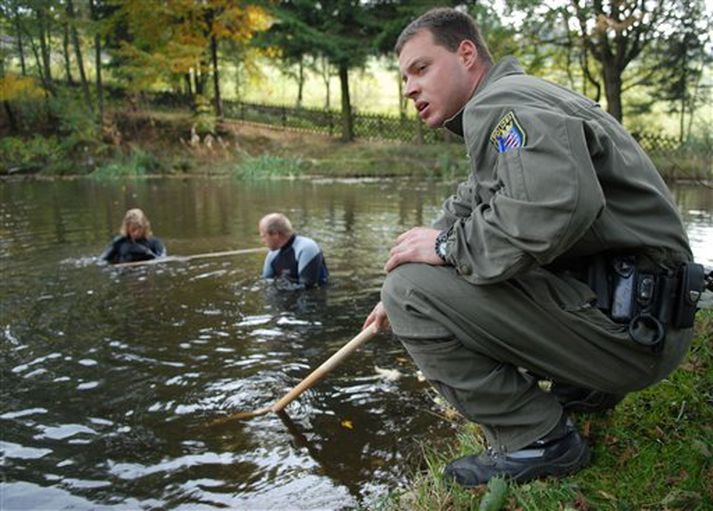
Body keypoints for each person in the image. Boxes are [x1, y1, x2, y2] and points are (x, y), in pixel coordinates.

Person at [362, 8, 701, 488]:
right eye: (405, 77)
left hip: (635, 335)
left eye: (421, 68)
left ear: (466, 53)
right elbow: (471, 201)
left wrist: (441, 252)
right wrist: (418, 255)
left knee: (409, 293)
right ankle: (583, 388)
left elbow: (553, 207)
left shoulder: (502, 107)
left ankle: (537, 438)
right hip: (646, 320)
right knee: (410, 281)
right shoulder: (516, 98)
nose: (409, 88)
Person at [259, 213, 329, 288]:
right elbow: (265, 282)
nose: (262, 241)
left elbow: (308, 287)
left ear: (276, 234)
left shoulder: (307, 248)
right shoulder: (272, 254)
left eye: (263, 236)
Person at [100, 208, 166, 264]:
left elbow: (162, 258)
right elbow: (101, 260)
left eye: (139, 228)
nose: (136, 233)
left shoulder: (155, 243)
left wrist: (147, 253)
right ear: (127, 228)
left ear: (144, 227)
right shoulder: (118, 243)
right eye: (133, 229)